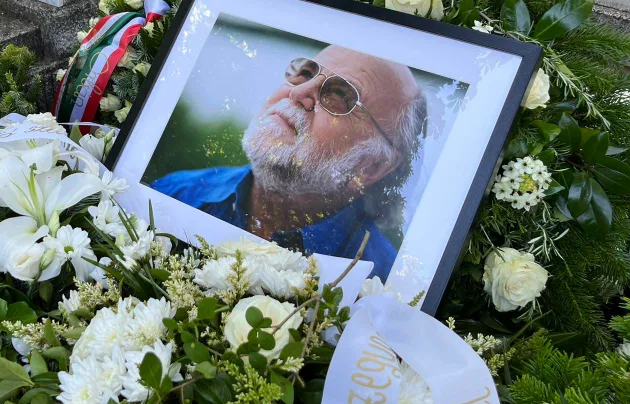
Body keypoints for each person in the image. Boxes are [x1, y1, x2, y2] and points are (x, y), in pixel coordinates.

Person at [150, 45, 427, 276]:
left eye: (340, 96)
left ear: (373, 166)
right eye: (305, 73)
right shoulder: (170, 195)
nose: (297, 93)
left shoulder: (381, 289)